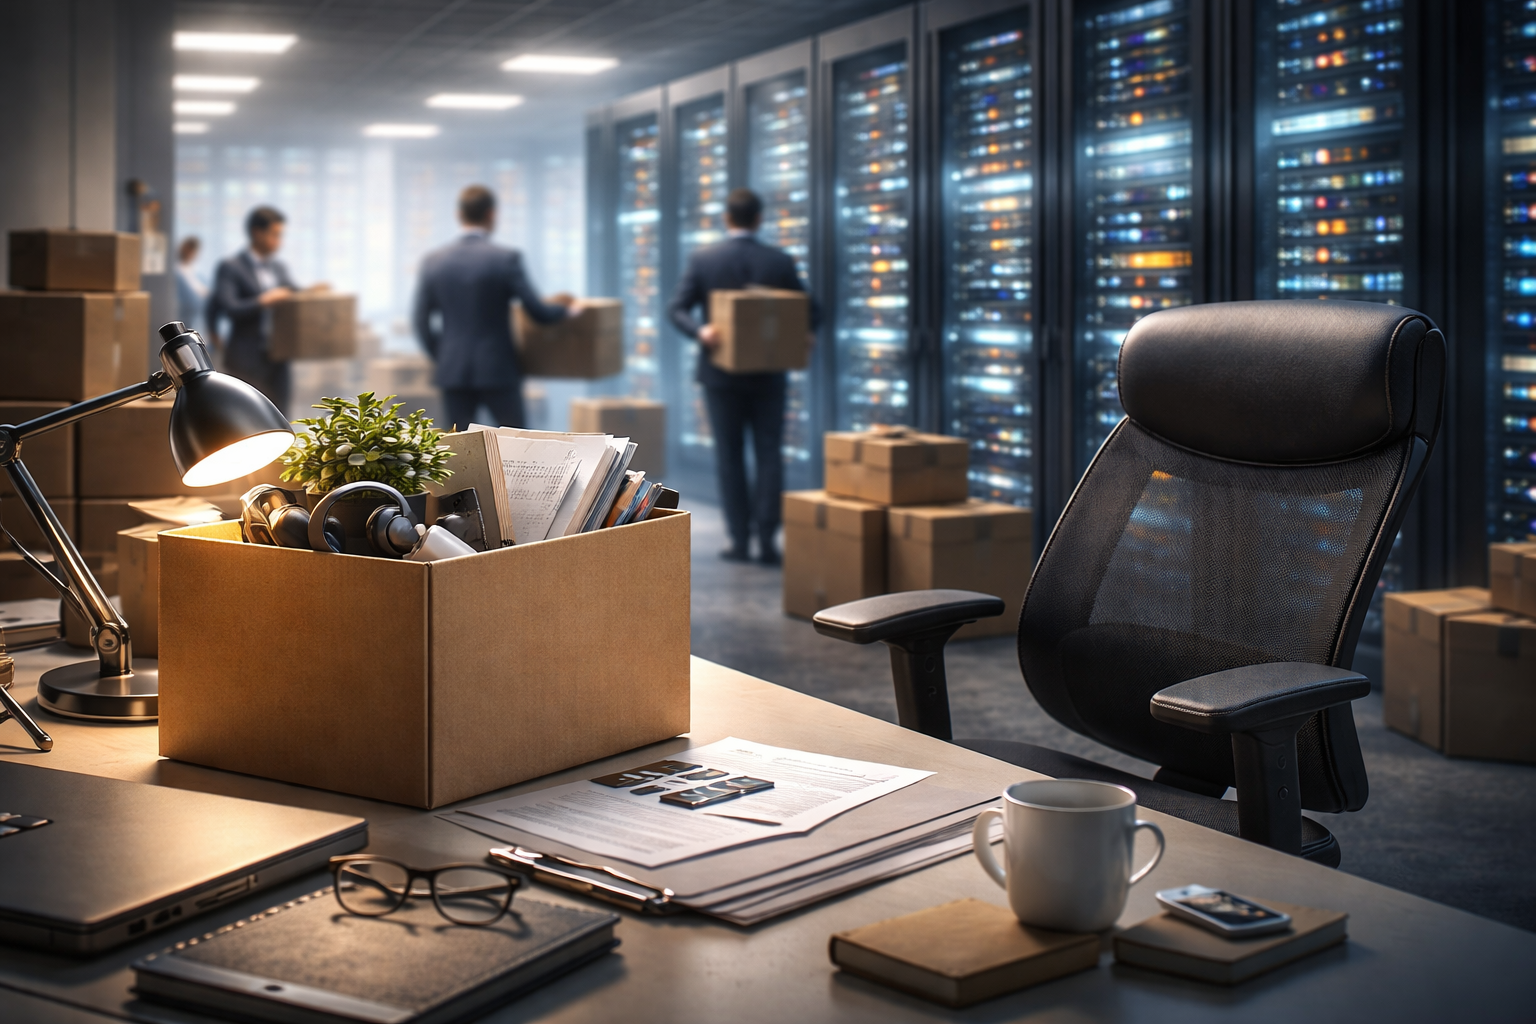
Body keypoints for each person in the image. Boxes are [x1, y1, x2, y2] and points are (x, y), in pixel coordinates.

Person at [668, 187, 815, 565]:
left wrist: (702, 332)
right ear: (759, 218)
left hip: (720, 375)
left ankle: (739, 540)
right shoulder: (780, 261)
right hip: (769, 375)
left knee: (729, 456)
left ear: (727, 218)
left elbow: (676, 309)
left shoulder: (704, 259)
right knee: (770, 454)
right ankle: (767, 541)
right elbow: (812, 311)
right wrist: (802, 336)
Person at [412, 185, 577, 431]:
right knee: (517, 447)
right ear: (491, 214)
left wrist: (444, 354)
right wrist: (567, 310)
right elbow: (538, 312)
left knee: (457, 453)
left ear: (460, 215)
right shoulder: (505, 259)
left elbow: (420, 321)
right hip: (498, 369)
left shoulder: (434, 261)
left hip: (453, 371)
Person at [207, 207, 301, 415]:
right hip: (246, 356)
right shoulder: (232, 267)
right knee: (250, 418)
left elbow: (293, 295)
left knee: (282, 416)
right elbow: (229, 307)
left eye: (281, 235)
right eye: (275, 235)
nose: (279, 241)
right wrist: (263, 301)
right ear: (257, 233)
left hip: (279, 356)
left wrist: (311, 293)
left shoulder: (278, 268)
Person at [174, 236, 208, 332]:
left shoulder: (195, 270)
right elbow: (190, 299)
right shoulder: (177, 270)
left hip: (196, 316)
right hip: (185, 315)